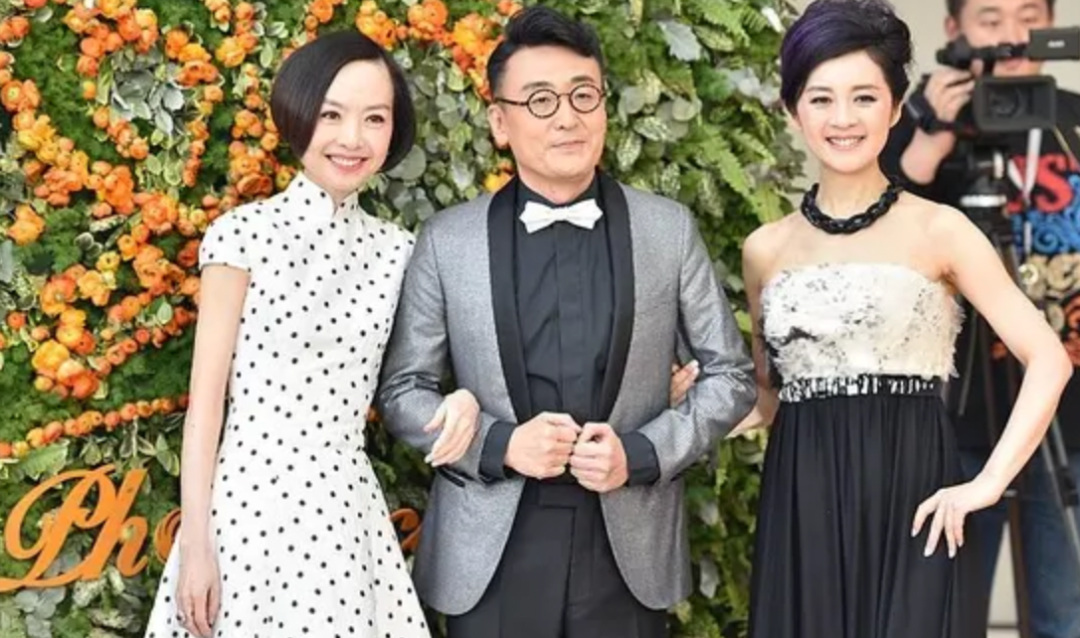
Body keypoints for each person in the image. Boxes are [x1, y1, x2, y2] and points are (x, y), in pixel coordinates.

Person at [376, 6, 757, 638]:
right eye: (540, 100)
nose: (566, 117)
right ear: (500, 122)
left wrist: (641, 453)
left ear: (604, 106)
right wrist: (499, 444)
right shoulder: (448, 240)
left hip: (627, 543)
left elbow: (731, 375)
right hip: (492, 550)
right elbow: (402, 391)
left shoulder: (667, 230)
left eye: (583, 95)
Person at [733, 0, 1072, 636]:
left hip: (914, 491)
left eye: (864, 97)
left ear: (894, 108)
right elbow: (768, 395)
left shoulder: (941, 229)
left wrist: (986, 484)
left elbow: (1048, 359)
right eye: (821, 98)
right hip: (802, 499)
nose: (843, 118)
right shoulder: (764, 249)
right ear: (792, 110)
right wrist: (690, 405)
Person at [143, 31, 481, 638]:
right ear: (299, 116)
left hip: (345, 517)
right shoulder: (242, 235)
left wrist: (465, 400)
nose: (352, 138)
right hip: (246, 510)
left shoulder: (399, 252)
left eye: (374, 118)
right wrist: (196, 545)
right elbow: (205, 407)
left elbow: (424, 375)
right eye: (331, 115)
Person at [880, 1, 1080, 634]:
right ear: (956, 32)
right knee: (947, 613)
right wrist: (929, 137)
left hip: (1067, 417)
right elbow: (875, 249)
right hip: (956, 415)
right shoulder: (915, 122)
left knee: (1064, 613)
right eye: (990, 20)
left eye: (1028, 16)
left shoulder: (1073, 120)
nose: (1012, 36)